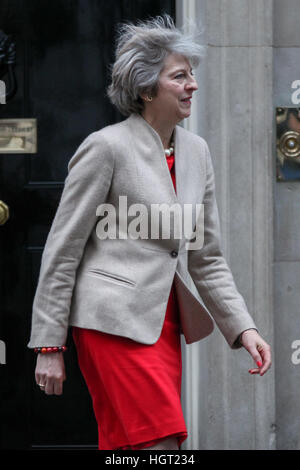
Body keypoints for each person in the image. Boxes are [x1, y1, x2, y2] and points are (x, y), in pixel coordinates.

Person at [28, 15, 272, 451]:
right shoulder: (106, 148)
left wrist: (242, 328)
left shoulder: (197, 153)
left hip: (164, 325)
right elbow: (62, 250)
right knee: (159, 444)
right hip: (110, 323)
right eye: (179, 76)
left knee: (133, 448)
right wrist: (49, 344)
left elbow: (207, 256)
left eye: (192, 75)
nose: (192, 85)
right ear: (145, 90)